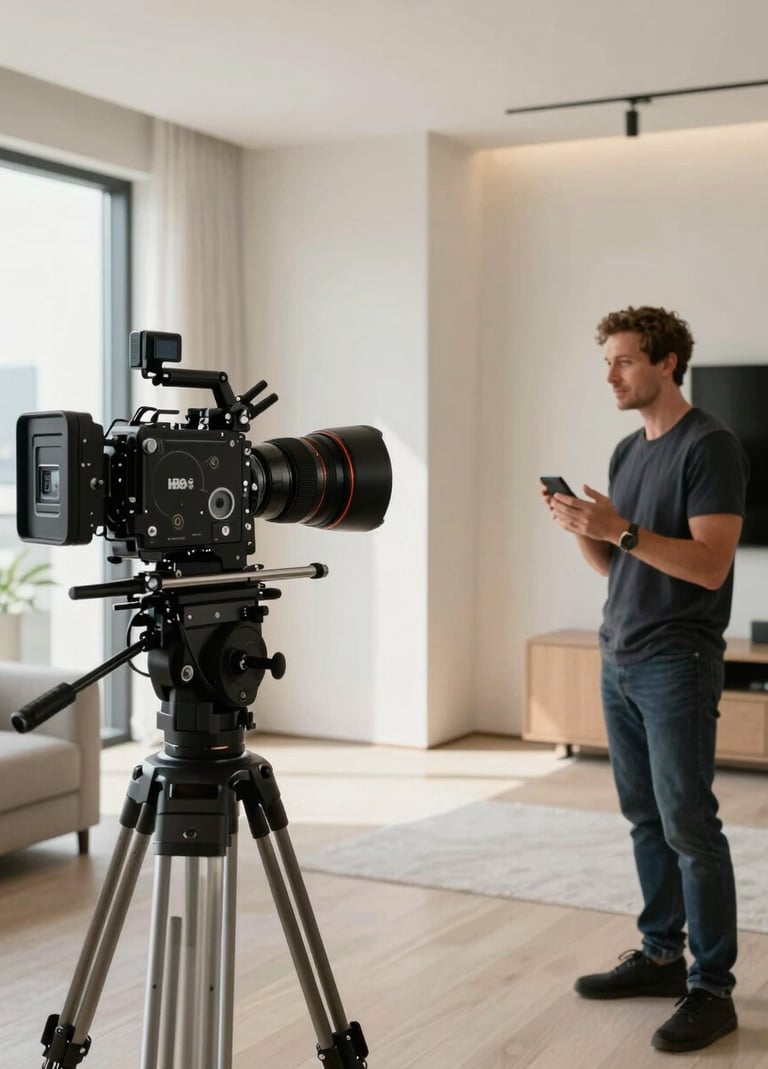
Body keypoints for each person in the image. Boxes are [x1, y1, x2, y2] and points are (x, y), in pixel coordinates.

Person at [542, 306, 748, 1054]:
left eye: (624, 360)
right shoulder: (628, 451)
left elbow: (710, 564)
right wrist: (587, 530)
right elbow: (620, 562)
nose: (611, 375)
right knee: (644, 817)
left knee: (690, 824)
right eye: (607, 361)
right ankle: (662, 956)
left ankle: (712, 989)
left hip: (676, 661)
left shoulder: (710, 446)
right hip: (620, 653)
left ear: (666, 363)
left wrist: (620, 529)